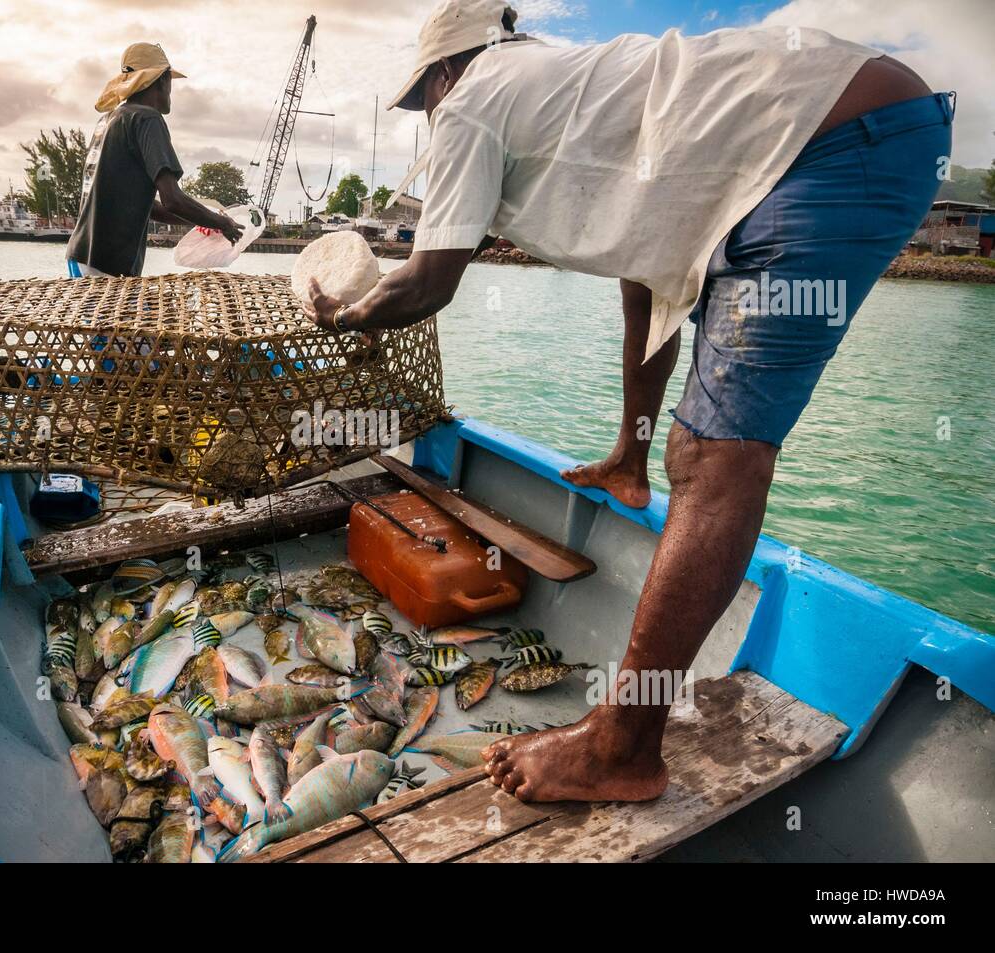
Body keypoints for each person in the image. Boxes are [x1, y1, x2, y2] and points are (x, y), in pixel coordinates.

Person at [303, 0, 951, 803]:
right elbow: (647, 288)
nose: (427, 117)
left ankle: (623, 746)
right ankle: (638, 480)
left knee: (717, 456)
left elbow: (428, 281)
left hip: (831, 146)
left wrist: (342, 314)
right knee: (689, 449)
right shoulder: (581, 93)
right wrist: (630, 453)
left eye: (422, 100)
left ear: (444, 71)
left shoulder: (473, 97)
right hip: (867, 125)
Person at [67, 42, 242, 278]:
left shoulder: (111, 119)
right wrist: (223, 223)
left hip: (81, 256)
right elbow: (172, 199)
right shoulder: (146, 119)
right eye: (170, 81)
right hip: (104, 266)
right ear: (162, 80)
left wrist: (206, 220)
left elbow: (151, 208)